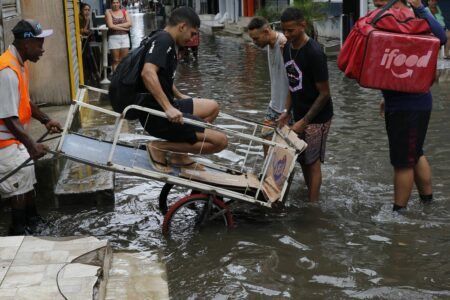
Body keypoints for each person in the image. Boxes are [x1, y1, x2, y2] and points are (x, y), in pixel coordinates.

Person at [373, 0, 447, 211]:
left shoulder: (407, 15)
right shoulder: (391, 15)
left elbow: (441, 37)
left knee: (403, 162)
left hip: (409, 103)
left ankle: (398, 214)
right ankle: (427, 202)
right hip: (407, 100)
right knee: (415, 153)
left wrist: (420, 7)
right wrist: (386, 96)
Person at [138, 7, 227, 169]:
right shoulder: (164, 41)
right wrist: (168, 108)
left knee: (213, 107)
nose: (193, 39)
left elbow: (161, 76)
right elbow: (147, 73)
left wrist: (180, 96)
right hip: (158, 116)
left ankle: (180, 153)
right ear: (182, 27)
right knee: (220, 141)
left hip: (166, 105)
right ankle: (159, 147)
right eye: (192, 34)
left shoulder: (163, 38)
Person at [0, 19, 62, 235]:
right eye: (39, 44)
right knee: (17, 186)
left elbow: (24, 101)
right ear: (26, 44)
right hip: (5, 142)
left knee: (27, 179)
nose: (42, 50)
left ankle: (33, 221)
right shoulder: (7, 70)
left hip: (15, 138)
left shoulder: (20, 63)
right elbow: (8, 116)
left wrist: (45, 119)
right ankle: (17, 230)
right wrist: (31, 144)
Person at [278, 7, 333, 202]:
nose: (286, 34)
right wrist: (286, 112)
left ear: (302, 25)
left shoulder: (315, 53)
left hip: (317, 116)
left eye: (291, 30)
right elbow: (293, 85)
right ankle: (311, 194)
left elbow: (325, 94)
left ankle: (313, 207)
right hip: (299, 113)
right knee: (302, 158)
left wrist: (305, 121)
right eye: (284, 30)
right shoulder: (287, 49)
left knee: (312, 162)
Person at [247, 16, 289, 155]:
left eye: (256, 38)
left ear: (266, 32)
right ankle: (267, 172)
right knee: (265, 136)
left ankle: (282, 175)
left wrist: (288, 109)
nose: (254, 42)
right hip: (274, 104)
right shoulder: (269, 45)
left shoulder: (284, 43)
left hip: (287, 107)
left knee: (285, 147)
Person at [105, 0, 132, 72]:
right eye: (114, 3)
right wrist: (124, 28)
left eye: (117, 2)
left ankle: (122, 78)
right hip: (113, 38)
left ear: (119, 3)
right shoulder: (108, 12)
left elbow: (129, 23)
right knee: (115, 60)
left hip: (125, 38)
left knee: (124, 60)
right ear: (111, 4)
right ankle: (115, 79)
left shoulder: (124, 11)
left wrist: (116, 25)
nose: (115, 4)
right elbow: (110, 26)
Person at [80, 2, 100, 86]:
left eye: (88, 10)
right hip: (82, 42)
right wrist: (88, 21)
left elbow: (87, 32)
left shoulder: (85, 17)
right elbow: (82, 31)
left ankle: (93, 76)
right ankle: (94, 76)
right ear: (81, 10)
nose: (87, 12)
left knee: (94, 52)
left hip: (86, 41)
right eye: (85, 9)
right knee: (90, 54)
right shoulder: (80, 18)